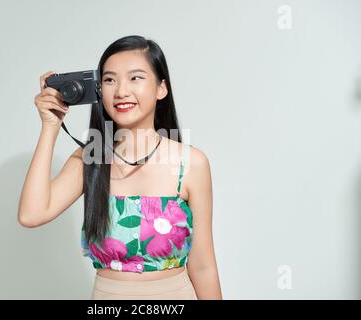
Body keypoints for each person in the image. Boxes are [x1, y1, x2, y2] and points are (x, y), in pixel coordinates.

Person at [18, 35, 222, 300]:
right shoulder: (90, 158)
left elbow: (203, 266)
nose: (121, 91)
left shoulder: (191, 163)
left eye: (135, 78)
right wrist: (50, 127)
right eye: (110, 80)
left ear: (161, 88)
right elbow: (31, 215)